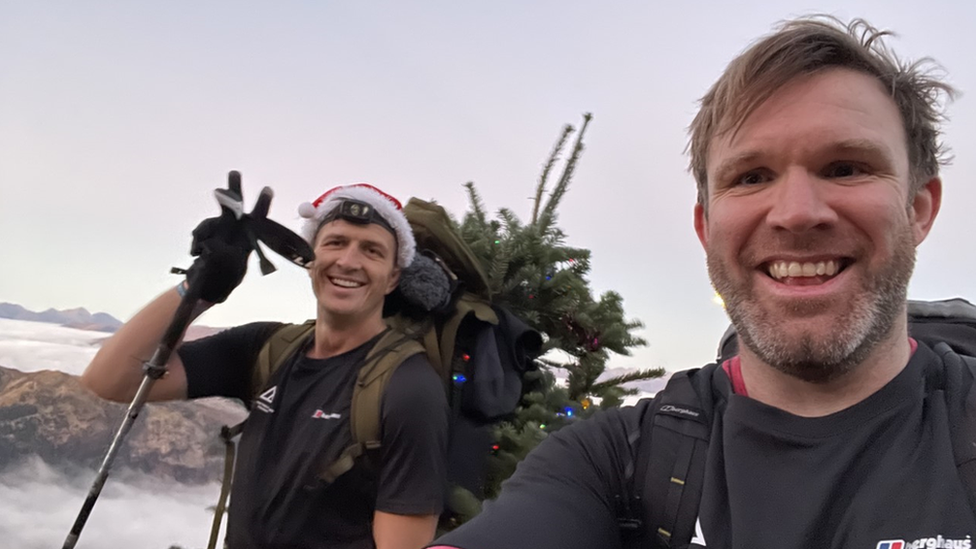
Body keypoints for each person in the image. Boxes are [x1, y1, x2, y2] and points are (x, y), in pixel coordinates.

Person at [431, 15, 966, 549]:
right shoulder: (611, 463)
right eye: (751, 177)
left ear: (919, 209)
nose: (797, 213)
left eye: (845, 167)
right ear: (706, 227)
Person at [81, 183, 449, 549]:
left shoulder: (408, 388)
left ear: (393, 278)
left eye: (371, 251)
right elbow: (112, 380)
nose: (349, 261)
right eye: (335, 243)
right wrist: (199, 287)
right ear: (309, 259)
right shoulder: (267, 349)